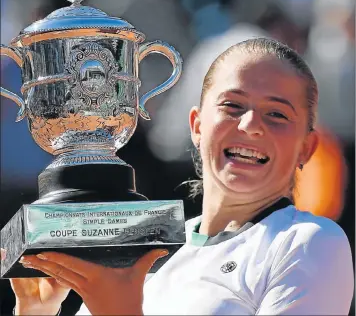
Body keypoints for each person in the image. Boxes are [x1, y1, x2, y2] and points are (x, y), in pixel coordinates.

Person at [2, 38, 354, 315]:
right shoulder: (146, 244)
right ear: (197, 126)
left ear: (307, 147)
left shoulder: (309, 242)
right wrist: (37, 312)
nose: (250, 125)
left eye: (276, 114)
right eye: (232, 105)